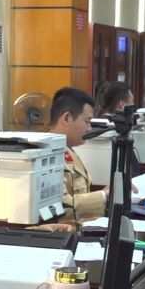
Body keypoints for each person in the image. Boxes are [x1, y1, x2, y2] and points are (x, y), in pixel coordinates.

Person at [49, 87, 108, 227]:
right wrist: (104, 196)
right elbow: (61, 206)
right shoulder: (48, 154)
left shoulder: (68, 150)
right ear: (67, 118)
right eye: (87, 121)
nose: (89, 129)